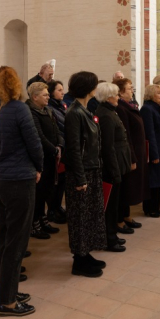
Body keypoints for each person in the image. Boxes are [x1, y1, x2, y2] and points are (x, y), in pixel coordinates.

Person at [0, 66, 43, 317]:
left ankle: (7, 291)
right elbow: (34, 143)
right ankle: (7, 303)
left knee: (5, 240)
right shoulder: (20, 109)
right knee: (16, 243)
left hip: (0, 180)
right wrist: (39, 166)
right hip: (20, 180)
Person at [64, 71, 107, 277]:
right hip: (81, 174)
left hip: (91, 169)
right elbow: (73, 149)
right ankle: (78, 261)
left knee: (90, 215)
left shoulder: (84, 109)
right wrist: (80, 178)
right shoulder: (74, 113)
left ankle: (85, 254)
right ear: (89, 87)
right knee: (80, 217)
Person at [95, 82, 132, 253]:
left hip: (117, 161)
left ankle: (112, 235)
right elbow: (107, 146)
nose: (118, 97)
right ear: (109, 97)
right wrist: (114, 170)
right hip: (111, 165)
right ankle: (109, 239)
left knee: (115, 204)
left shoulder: (110, 111)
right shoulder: (105, 115)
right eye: (116, 95)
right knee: (110, 207)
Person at [26, 82, 63, 240]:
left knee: (46, 190)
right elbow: (38, 136)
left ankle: (43, 219)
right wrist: (54, 149)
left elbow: (56, 130)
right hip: (40, 157)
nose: (48, 97)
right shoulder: (30, 111)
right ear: (35, 97)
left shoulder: (47, 109)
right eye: (45, 95)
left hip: (50, 156)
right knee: (38, 193)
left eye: (48, 94)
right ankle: (34, 224)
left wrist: (60, 144)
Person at [113, 78, 146, 233]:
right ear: (120, 92)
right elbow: (126, 136)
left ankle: (126, 216)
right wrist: (132, 157)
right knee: (126, 187)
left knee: (131, 187)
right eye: (129, 88)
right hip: (129, 153)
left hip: (137, 151)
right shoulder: (120, 108)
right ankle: (119, 220)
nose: (132, 90)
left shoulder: (129, 105)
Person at [140, 84, 160, 217]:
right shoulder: (147, 109)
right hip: (155, 149)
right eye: (159, 93)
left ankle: (156, 206)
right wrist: (154, 154)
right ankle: (149, 208)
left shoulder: (158, 107)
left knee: (159, 179)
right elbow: (150, 133)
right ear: (151, 94)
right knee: (153, 180)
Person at [46, 80, 68, 224]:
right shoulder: (50, 108)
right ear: (51, 92)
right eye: (59, 90)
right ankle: (52, 210)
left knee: (62, 181)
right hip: (57, 148)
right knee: (55, 181)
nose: (62, 92)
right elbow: (59, 128)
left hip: (64, 147)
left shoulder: (61, 106)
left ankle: (58, 206)